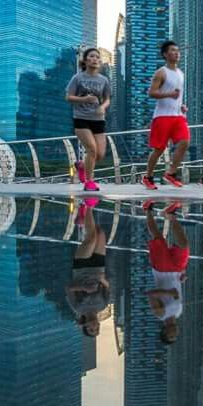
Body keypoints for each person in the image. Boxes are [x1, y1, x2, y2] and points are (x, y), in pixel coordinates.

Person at [142, 40, 190, 191]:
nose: (176, 53)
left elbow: (178, 95)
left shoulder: (180, 74)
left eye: (178, 50)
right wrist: (169, 94)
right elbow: (151, 93)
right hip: (162, 116)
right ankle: (148, 177)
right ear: (165, 54)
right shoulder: (161, 72)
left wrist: (181, 105)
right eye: (172, 50)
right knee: (159, 149)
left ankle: (171, 173)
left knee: (184, 142)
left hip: (178, 116)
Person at [65, 48, 112, 192]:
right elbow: (68, 97)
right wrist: (84, 99)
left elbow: (107, 99)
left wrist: (103, 107)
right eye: (91, 56)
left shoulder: (104, 80)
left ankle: (81, 165)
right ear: (85, 60)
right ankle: (89, 182)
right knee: (92, 149)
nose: (95, 59)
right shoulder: (78, 78)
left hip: (98, 119)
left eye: (98, 57)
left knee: (100, 154)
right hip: (81, 118)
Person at [144, 199, 188, 345]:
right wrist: (181, 278)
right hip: (176, 271)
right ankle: (170, 215)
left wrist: (169, 293)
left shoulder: (160, 314)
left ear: (164, 332)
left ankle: (147, 210)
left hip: (162, 270)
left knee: (158, 238)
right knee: (184, 245)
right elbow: (177, 289)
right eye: (175, 337)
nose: (174, 334)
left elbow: (150, 294)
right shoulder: (179, 312)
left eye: (170, 336)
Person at [66, 199, 111, 336]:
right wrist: (102, 280)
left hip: (82, 268)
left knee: (91, 238)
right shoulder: (103, 305)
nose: (94, 326)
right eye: (96, 329)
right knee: (100, 233)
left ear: (85, 326)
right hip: (98, 268)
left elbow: (68, 288)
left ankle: (88, 204)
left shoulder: (77, 308)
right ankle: (82, 217)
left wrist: (83, 288)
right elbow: (107, 287)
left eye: (91, 329)